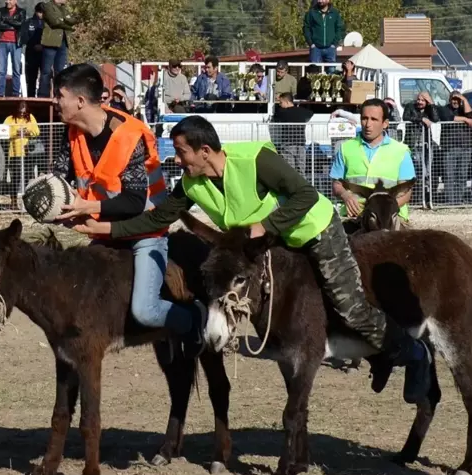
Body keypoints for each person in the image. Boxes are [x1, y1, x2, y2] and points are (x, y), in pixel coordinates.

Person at [69, 114, 434, 405]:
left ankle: (411, 354)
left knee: (349, 305)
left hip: (316, 231)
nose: (176, 159)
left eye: (181, 153)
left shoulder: (254, 160)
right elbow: (155, 219)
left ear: (205, 151)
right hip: (275, 246)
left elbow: (305, 195)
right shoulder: (192, 184)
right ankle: (372, 353)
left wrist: (266, 225)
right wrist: (99, 228)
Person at [38, 63, 206, 358]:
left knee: (145, 310)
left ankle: (194, 317)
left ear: (79, 101)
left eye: (58, 95)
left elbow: (134, 201)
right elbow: (59, 177)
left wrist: (87, 206)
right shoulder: (73, 132)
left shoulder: (130, 135)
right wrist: (42, 196)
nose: (54, 101)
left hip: (145, 229)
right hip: (104, 231)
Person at [331, 98, 415, 227]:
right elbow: (337, 184)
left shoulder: (401, 151)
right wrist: (346, 196)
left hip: (392, 218)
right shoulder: (345, 148)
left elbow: (406, 192)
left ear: (385, 123)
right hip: (353, 217)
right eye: (364, 118)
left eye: (374, 119)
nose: (368, 124)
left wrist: (385, 209)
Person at [37, 0, 77, 98]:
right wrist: (66, 22)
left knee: (60, 71)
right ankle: (43, 95)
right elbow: (54, 21)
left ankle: (58, 94)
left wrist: (62, 20)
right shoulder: (47, 6)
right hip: (51, 42)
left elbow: (73, 20)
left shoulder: (64, 8)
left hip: (63, 42)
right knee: (46, 70)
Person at [4, 101, 40, 208]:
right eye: (20, 112)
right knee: (15, 178)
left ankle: (26, 202)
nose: (22, 114)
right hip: (15, 153)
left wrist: (28, 133)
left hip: (28, 153)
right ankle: (13, 202)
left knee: (28, 178)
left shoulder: (30, 118)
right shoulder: (9, 119)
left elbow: (37, 131)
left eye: (24, 113)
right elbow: (3, 132)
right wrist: (16, 133)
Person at [0, 0, 26, 97]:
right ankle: (0, 93)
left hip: (16, 43)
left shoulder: (21, 11)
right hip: (2, 42)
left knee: (16, 69)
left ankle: (16, 93)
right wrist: (13, 24)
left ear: (15, 1)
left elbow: (21, 24)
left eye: (10, 0)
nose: (7, 1)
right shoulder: (0, 11)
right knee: (1, 70)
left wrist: (7, 21)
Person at [303, 0, 345, 68]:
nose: (320, 1)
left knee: (331, 72)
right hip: (316, 48)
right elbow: (306, 28)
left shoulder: (334, 13)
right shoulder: (311, 13)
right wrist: (311, 43)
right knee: (314, 72)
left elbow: (339, 28)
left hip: (330, 48)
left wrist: (334, 44)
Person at [23, 2, 44, 98]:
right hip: (31, 53)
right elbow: (24, 37)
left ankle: (43, 96)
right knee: (31, 77)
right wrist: (33, 45)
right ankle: (30, 97)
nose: (41, 14)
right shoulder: (29, 22)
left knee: (45, 76)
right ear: (36, 12)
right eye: (39, 12)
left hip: (44, 53)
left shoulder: (48, 24)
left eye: (43, 12)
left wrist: (43, 46)